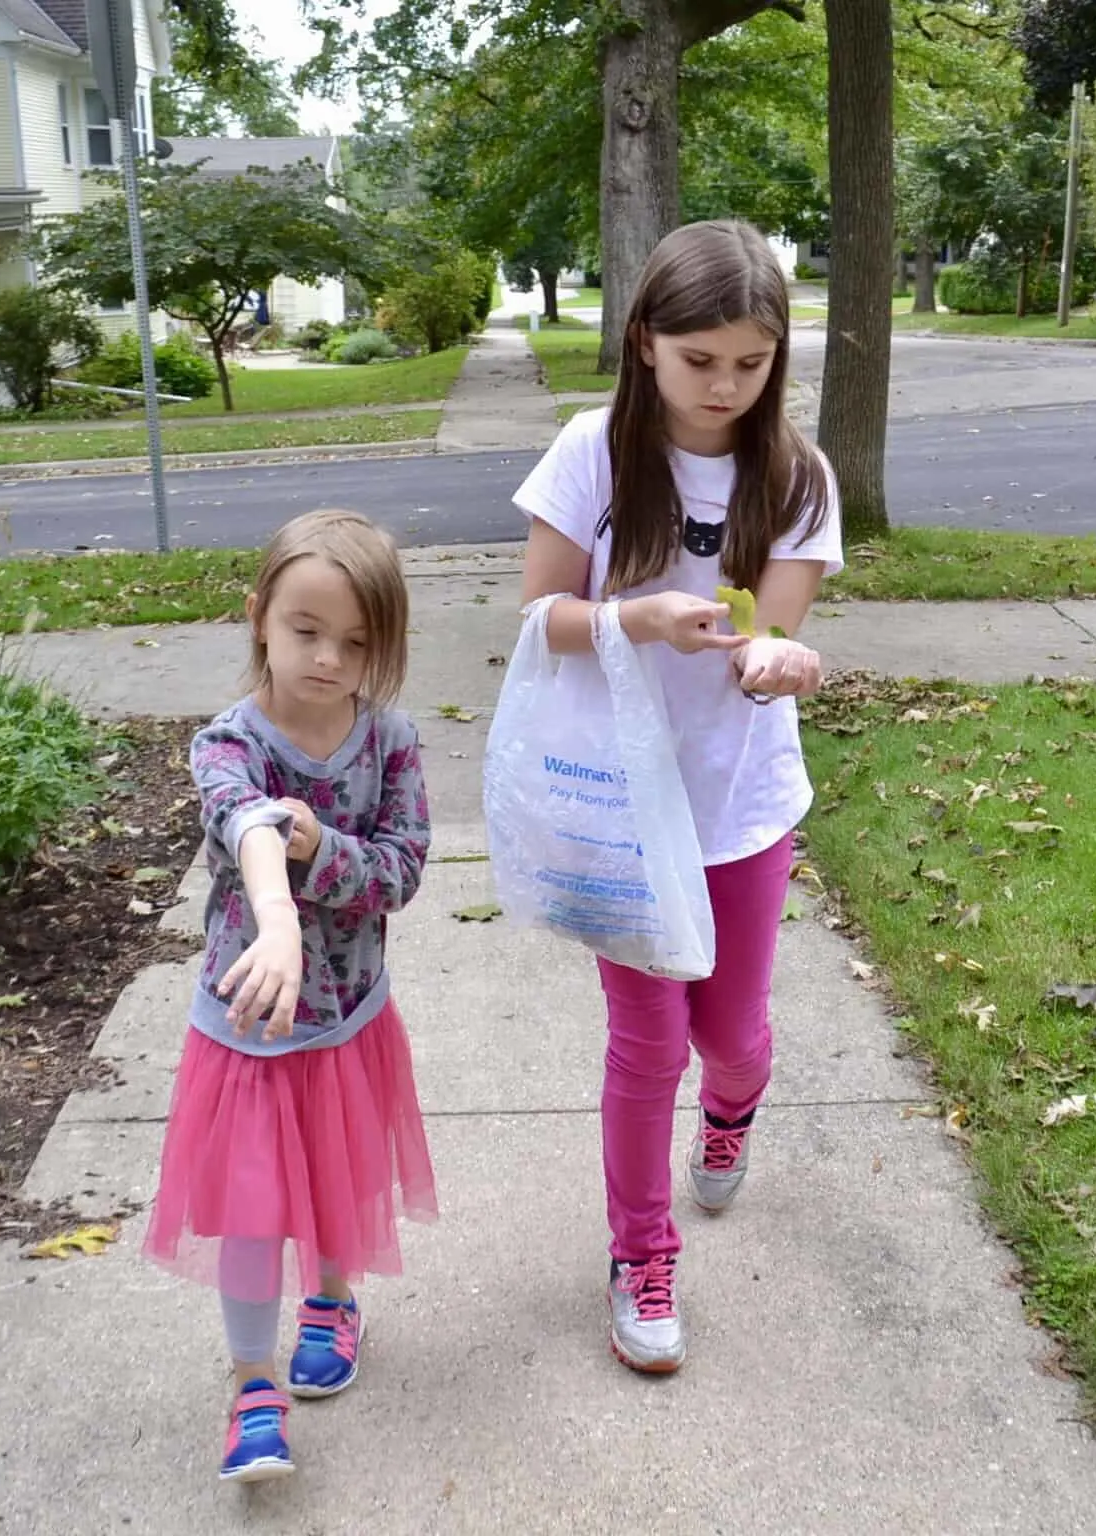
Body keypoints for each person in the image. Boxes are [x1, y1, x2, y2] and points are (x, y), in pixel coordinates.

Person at [510, 219, 843, 1373]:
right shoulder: (590, 455)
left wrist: (770, 656)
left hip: (742, 806)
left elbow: (770, 626)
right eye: (701, 361)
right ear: (645, 341)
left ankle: (737, 1106)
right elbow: (541, 620)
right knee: (646, 1044)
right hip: (621, 810)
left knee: (732, 1039)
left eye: (750, 364)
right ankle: (640, 1254)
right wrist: (630, 618)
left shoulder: (795, 475)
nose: (724, 386)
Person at [144, 509, 437, 1481]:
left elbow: (399, 872)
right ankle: (251, 1385)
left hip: (349, 1016)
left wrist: (331, 852)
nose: (328, 658)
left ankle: (335, 1298)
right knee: (256, 1207)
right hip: (251, 1026)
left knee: (341, 1175)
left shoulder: (390, 743)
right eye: (307, 631)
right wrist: (277, 920)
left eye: (357, 644)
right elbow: (249, 824)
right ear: (258, 617)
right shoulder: (227, 743)